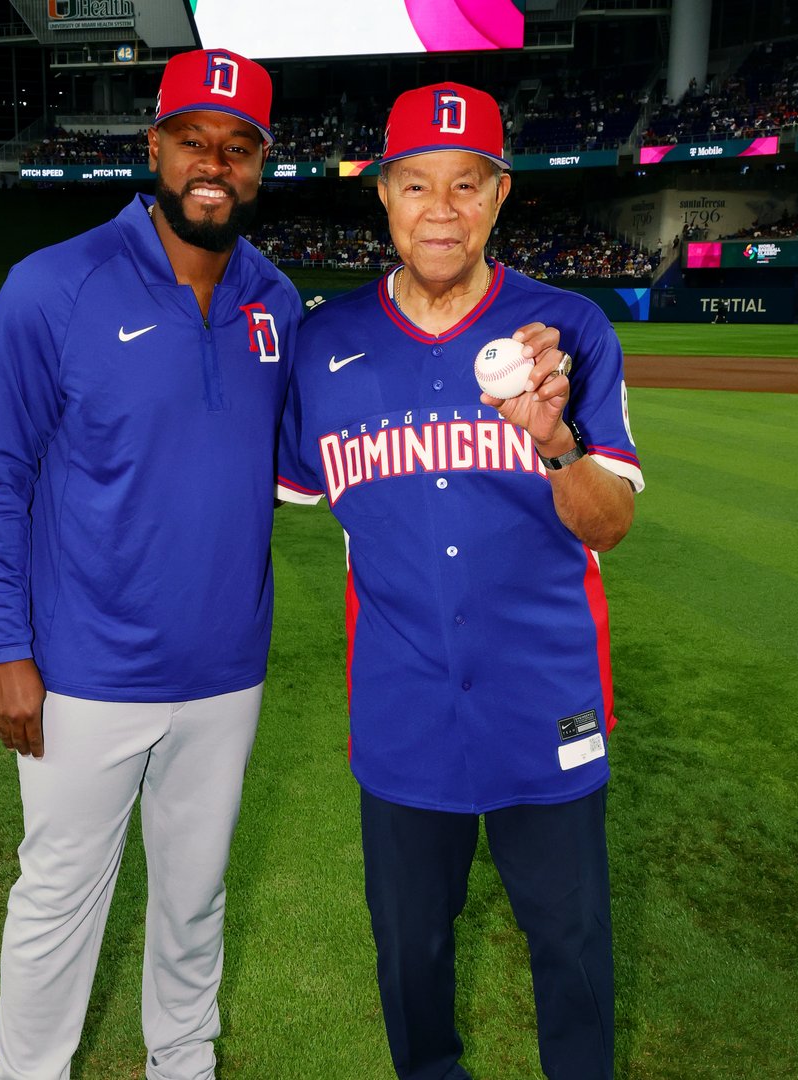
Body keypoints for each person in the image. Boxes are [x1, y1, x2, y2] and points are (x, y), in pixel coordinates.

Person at [276, 83, 644, 1080]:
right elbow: (261, 493)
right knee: (410, 953)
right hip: (402, 711)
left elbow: (613, 521)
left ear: (500, 194)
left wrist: (560, 444)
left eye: (467, 183)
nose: (442, 209)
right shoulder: (323, 345)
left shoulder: (566, 329)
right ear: (385, 196)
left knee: (570, 948)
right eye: (418, 184)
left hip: (547, 700)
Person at [0, 48, 300, 1080]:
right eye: (194, 140)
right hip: (83, 670)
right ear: (153, 147)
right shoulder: (53, 285)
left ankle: (183, 1063)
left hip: (225, 671)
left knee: (195, 898)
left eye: (238, 148)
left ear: (259, 167)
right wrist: (5, 650)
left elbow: (302, 461)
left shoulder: (275, 300)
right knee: (60, 894)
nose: (215, 163)